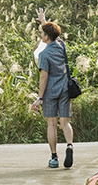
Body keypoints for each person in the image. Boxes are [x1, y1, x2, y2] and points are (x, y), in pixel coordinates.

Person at [30, 21, 74, 169]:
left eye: (43, 33)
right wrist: (44, 21)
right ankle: (69, 146)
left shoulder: (44, 54)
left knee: (52, 124)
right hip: (65, 90)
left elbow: (44, 78)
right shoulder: (62, 47)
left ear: (47, 37)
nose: (41, 35)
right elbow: (56, 35)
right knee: (65, 123)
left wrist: (39, 98)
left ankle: (54, 158)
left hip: (50, 93)